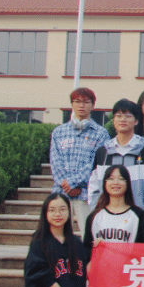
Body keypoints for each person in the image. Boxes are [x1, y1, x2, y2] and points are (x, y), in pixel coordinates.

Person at [49, 87, 108, 228]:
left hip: (86, 194)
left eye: (86, 102)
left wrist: (74, 183)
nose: (81, 105)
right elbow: (55, 161)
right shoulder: (59, 132)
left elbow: (96, 163)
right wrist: (66, 185)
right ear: (72, 104)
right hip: (61, 192)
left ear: (93, 105)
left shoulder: (101, 134)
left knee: (89, 233)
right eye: (77, 102)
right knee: (58, 234)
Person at [87, 98, 144, 210]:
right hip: (107, 215)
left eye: (128, 116)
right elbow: (94, 186)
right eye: (118, 116)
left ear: (136, 121)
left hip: (138, 215)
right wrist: (97, 211)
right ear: (113, 120)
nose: (123, 119)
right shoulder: (103, 151)